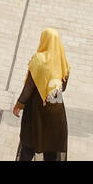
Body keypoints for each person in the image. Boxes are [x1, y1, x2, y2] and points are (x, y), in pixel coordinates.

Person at [13, 28, 70, 161]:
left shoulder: (38, 60)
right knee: (51, 145)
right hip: (56, 108)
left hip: (36, 108)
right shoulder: (62, 61)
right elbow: (64, 87)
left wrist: (19, 104)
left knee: (29, 143)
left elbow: (29, 87)